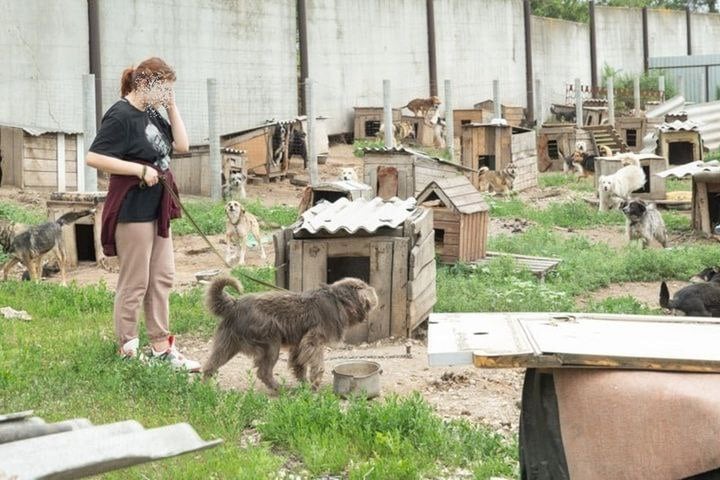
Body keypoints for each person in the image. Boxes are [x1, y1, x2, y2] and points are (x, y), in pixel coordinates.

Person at [86, 57, 200, 372]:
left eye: (170, 89)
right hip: (132, 209)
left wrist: (171, 107)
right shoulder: (120, 115)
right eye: (163, 88)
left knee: (162, 277)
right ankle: (128, 349)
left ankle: (162, 349)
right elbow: (94, 157)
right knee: (135, 281)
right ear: (145, 83)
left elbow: (181, 144)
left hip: (158, 208)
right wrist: (139, 169)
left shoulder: (151, 113)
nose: (166, 94)